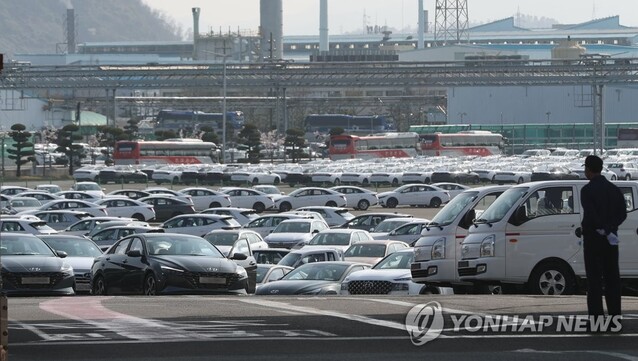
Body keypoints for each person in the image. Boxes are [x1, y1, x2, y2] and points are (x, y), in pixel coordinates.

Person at [580, 155, 627, 325]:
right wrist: (609, 228)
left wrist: (601, 228)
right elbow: (623, 213)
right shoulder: (614, 189)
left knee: (594, 281)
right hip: (611, 240)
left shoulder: (587, 191)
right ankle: (615, 320)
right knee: (612, 279)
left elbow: (591, 214)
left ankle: (597, 321)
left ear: (588, 169)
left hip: (593, 240)